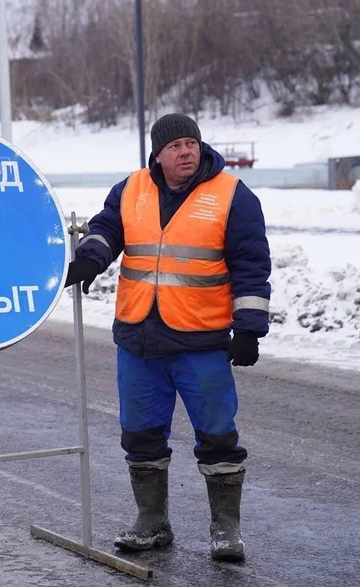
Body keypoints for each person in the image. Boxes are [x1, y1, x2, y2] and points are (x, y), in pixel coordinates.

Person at [65, 113, 271, 562]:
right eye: (175, 146)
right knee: (140, 434)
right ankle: (152, 523)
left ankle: (226, 530)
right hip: (140, 339)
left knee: (218, 435)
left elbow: (252, 265)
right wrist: (90, 259)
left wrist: (250, 329)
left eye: (191, 144)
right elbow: (106, 230)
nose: (186, 152)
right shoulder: (131, 189)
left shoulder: (233, 196)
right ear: (157, 154)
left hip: (201, 342)